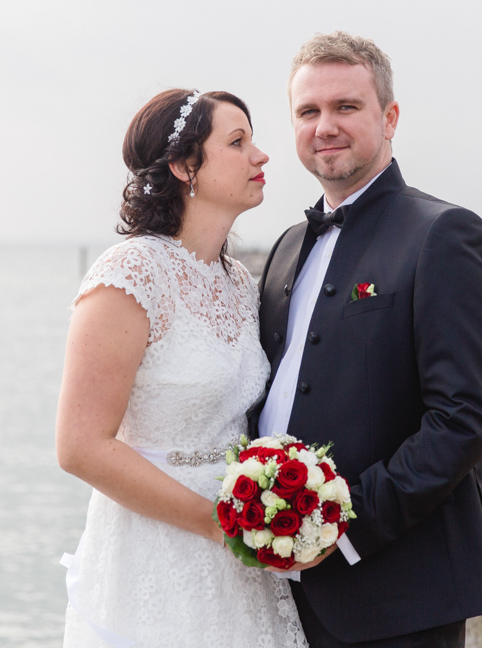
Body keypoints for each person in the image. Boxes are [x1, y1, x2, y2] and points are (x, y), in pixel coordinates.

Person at [250, 32, 482, 647]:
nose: (325, 126)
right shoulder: (287, 246)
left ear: (389, 118)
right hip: (278, 592)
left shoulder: (445, 234)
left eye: (346, 107)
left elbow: (468, 418)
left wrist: (338, 527)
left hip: (400, 593)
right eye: (308, 112)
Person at [56, 89, 307, 648]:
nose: (262, 156)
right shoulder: (130, 273)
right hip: (157, 549)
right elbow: (79, 446)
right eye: (238, 142)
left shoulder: (238, 282)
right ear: (183, 167)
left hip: (240, 557)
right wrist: (214, 524)